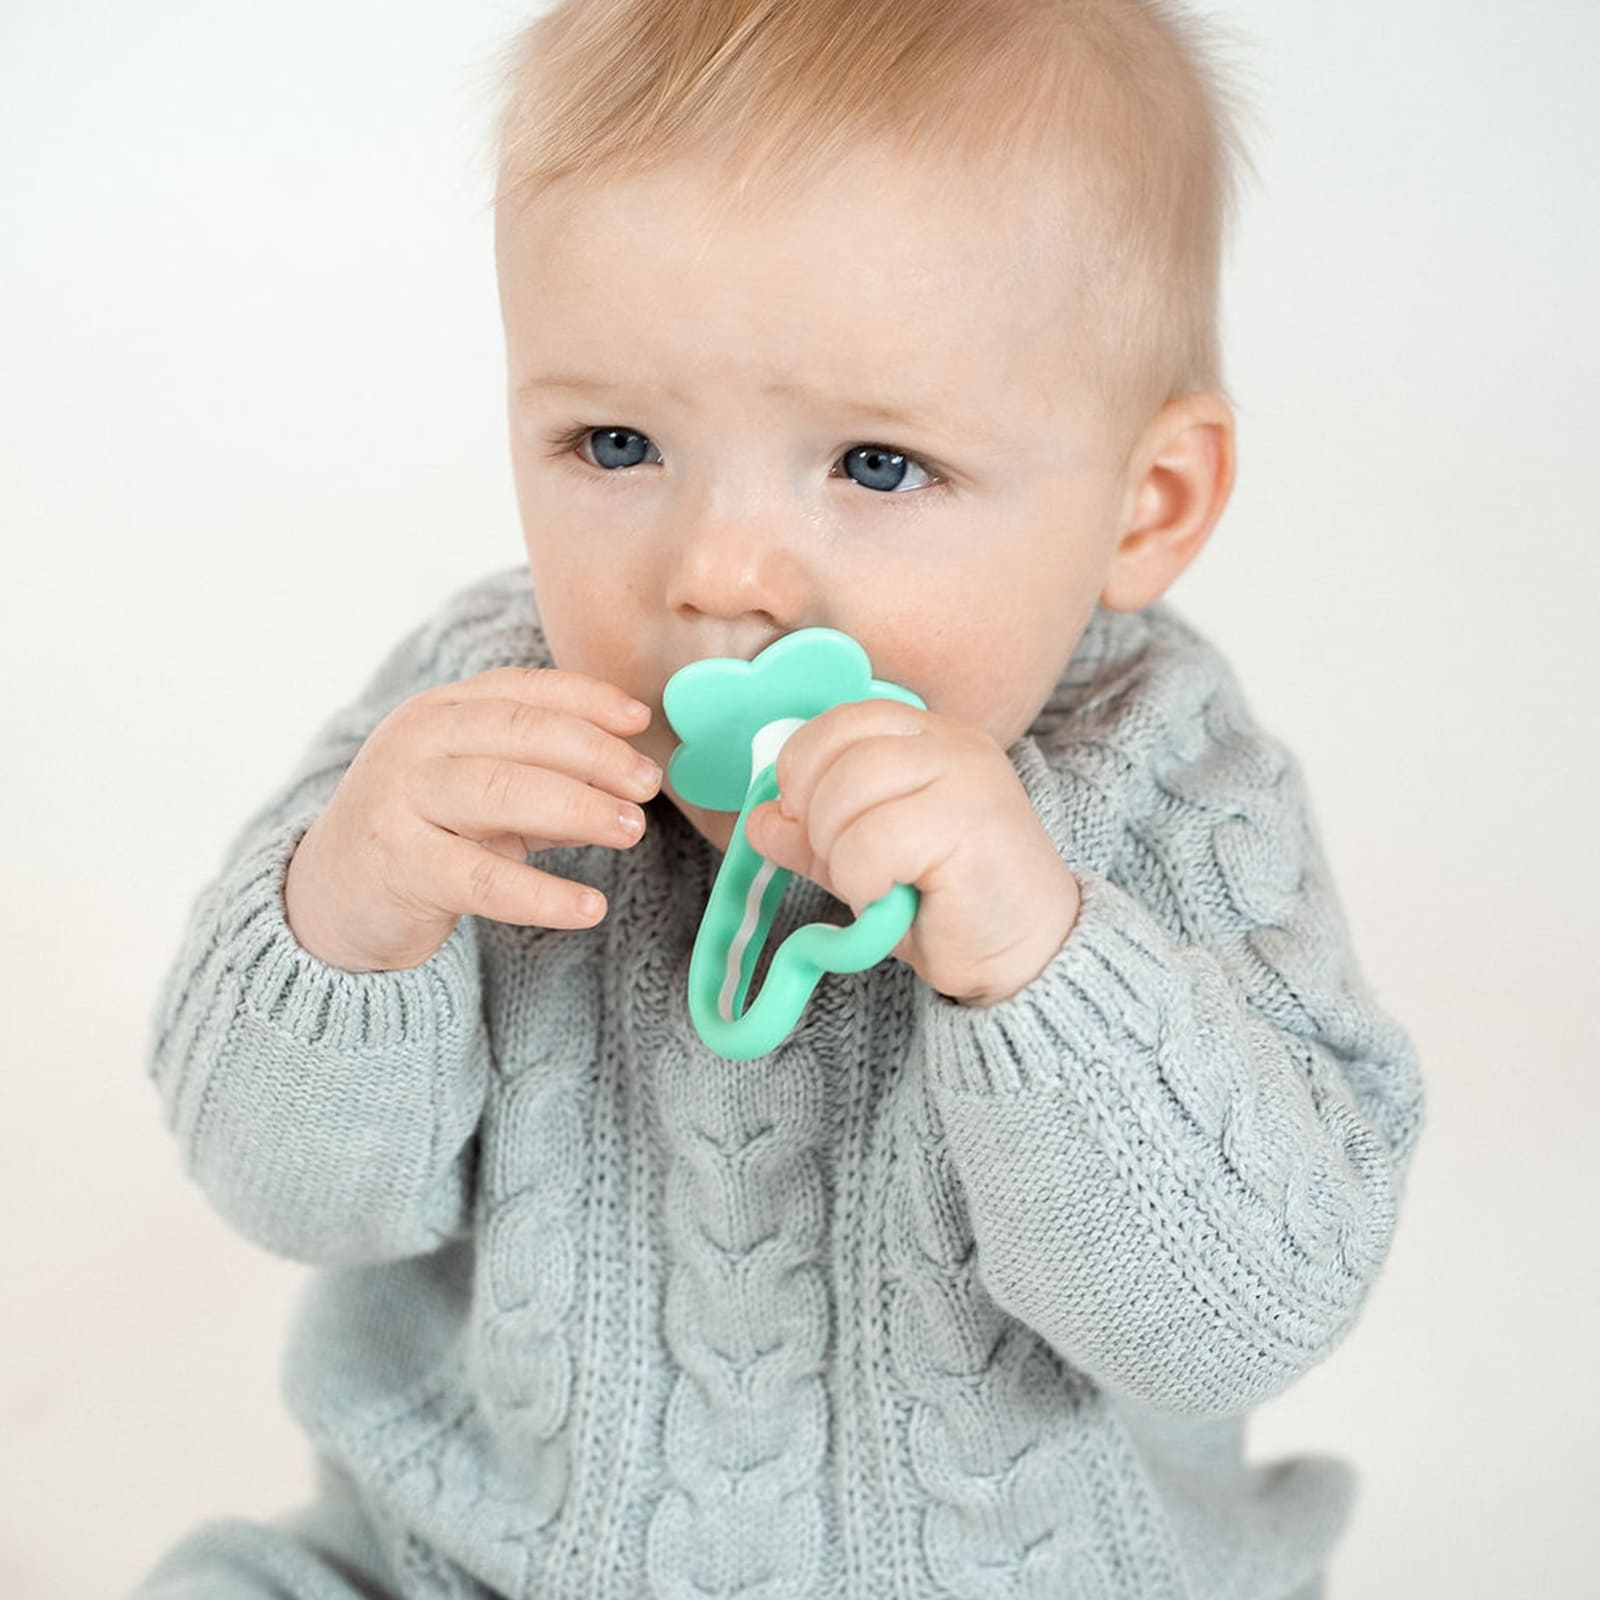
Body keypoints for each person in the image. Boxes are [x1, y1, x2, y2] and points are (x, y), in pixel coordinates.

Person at [131, 1, 1424, 1596]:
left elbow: (1245, 1318)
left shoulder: (1168, 783)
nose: (717, 572)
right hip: (477, 1558)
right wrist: (346, 921)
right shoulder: (476, 722)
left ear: (1143, 508)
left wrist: (1044, 961)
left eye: (876, 465)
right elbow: (294, 1199)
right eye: (616, 442)